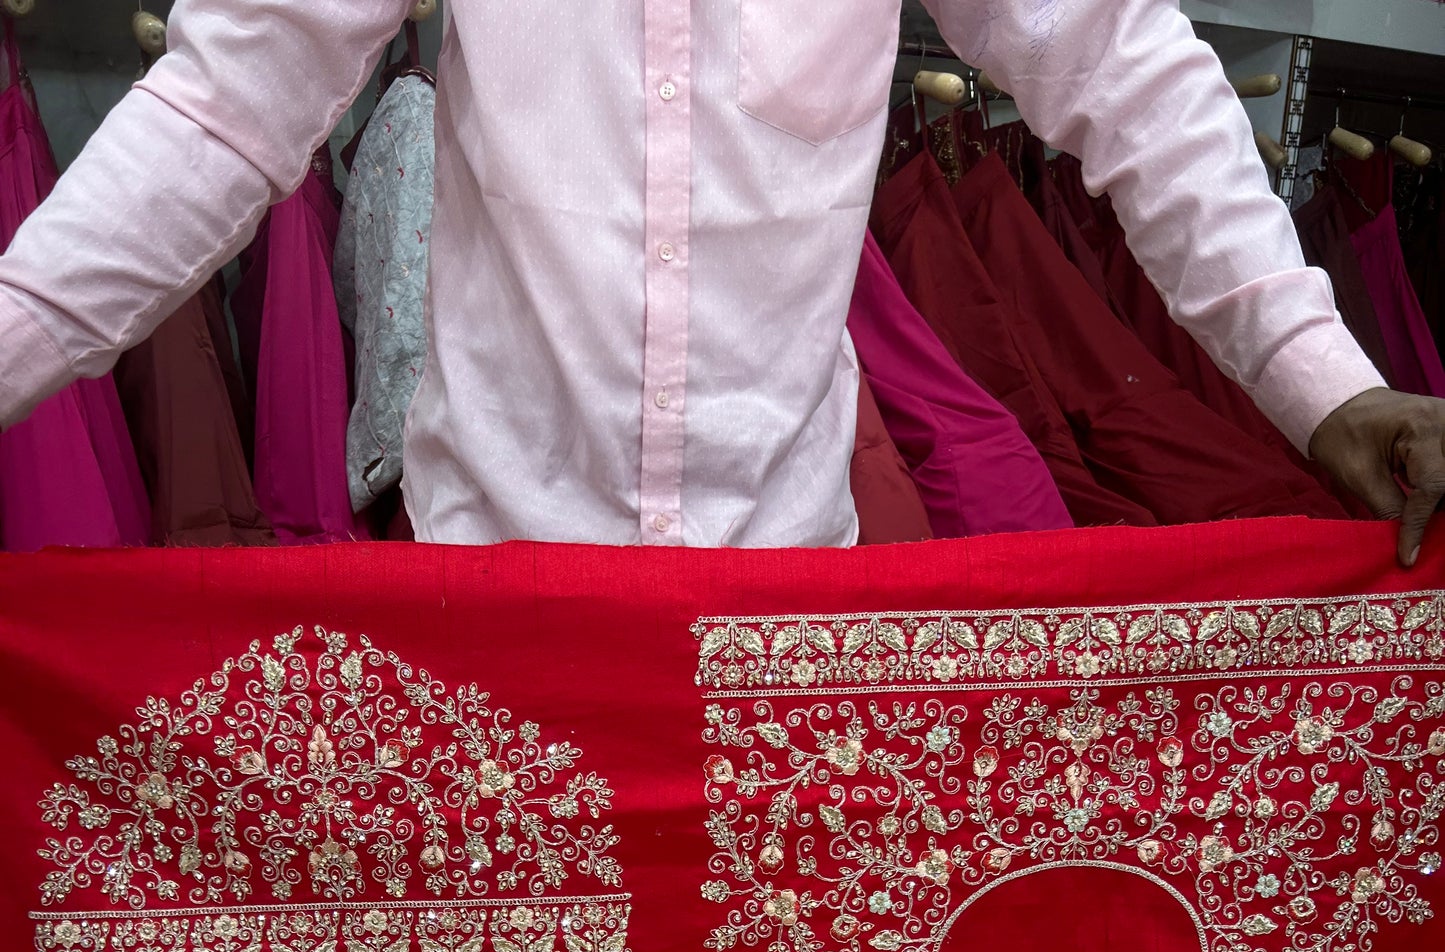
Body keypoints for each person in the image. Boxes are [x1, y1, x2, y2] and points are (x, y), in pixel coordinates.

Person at [0, 0, 1442, 561]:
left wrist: (1322, 381)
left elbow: (1127, 79)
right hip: (498, 608)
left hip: (786, 618)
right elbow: (219, 115)